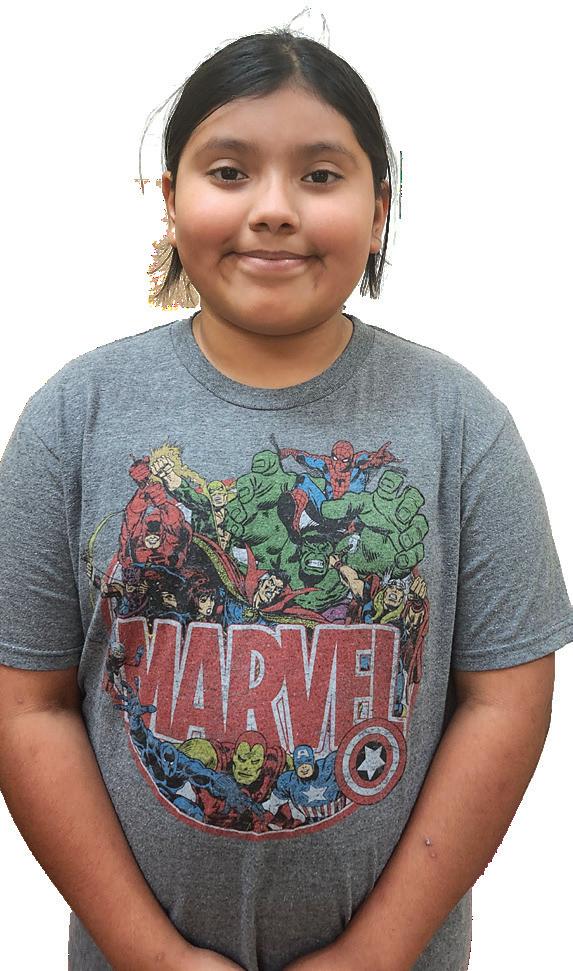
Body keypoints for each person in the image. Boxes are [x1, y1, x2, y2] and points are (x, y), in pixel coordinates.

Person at [0, 24, 571, 971]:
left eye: (319, 175)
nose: (272, 209)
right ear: (169, 200)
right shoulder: (74, 416)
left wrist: (378, 951)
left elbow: (505, 699)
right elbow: (28, 704)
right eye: (228, 172)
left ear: (379, 210)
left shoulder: (460, 424)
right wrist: (149, 954)